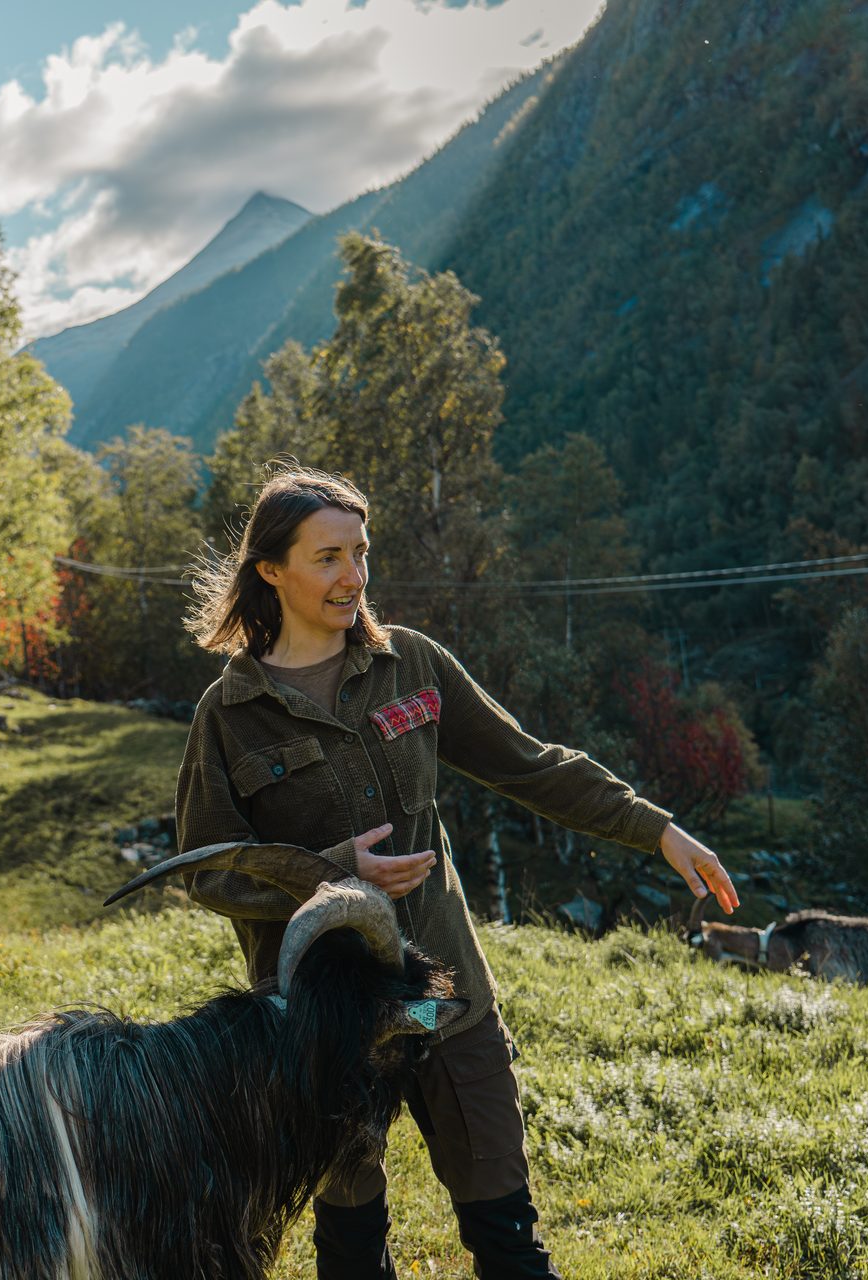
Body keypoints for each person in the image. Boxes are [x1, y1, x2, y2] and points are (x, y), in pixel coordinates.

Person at [176, 467, 739, 1280]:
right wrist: (332, 875)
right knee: (352, 1251)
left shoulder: (413, 664)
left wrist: (655, 829)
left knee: (508, 1238)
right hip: (320, 1023)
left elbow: (531, 767)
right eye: (328, 557)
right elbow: (208, 870)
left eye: (361, 553)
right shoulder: (226, 715)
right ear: (271, 569)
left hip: (449, 1004)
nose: (353, 577)